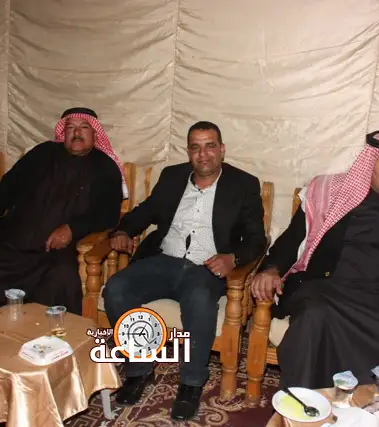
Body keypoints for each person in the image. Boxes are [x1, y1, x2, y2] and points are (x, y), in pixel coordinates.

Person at [251, 130, 379, 394]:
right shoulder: (328, 192)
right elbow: (293, 239)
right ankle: (305, 402)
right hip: (326, 291)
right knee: (314, 317)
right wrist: (271, 269)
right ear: (369, 165)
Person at [102, 121, 266, 420]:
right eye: (195, 147)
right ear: (188, 151)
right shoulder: (172, 176)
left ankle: (191, 383)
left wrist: (233, 258)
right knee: (116, 288)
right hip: (164, 259)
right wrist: (123, 230)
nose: (203, 154)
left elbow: (257, 238)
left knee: (200, 299)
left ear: (222, 149)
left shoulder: (243, 184)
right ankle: (139, 369)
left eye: (210, 146)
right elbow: (146, 211)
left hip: (205, 267)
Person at [0, 107, 127, 327]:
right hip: (14, 240)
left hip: (56, 249)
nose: (76, 133)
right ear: (63, 133)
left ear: (94, 134)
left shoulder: (105, 167)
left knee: (60, 278)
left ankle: (44, 337)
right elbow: (8, 186)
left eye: (84, 127)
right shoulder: (41, 153)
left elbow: (108, 215)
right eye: (70, 128)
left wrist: (72, 228)